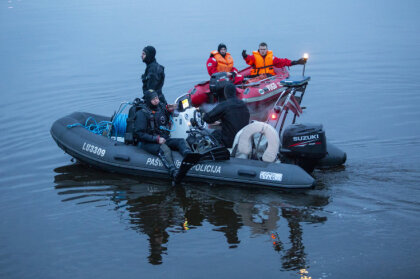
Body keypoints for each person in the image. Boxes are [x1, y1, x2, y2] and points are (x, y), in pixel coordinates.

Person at [134, 90, 192, 179]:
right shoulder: (142, 113)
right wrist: (156, 139)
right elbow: (139, 134)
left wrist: (170, 110)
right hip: (148, 142)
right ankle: (173, 171)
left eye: (157, 98)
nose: (156, 101)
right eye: (153, 99)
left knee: (181, 141)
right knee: (165, 149)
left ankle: (188, 156)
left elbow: (164, 117)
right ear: (148, 100)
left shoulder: (161, 107)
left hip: (164, 138)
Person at [202, 83, 250, 148]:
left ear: (225, 93)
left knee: (212, 135)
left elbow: (207, 118)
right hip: (243, 139)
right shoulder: (243, 104)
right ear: (235, 92)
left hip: (230, 142)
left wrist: (203, 115)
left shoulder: (225, 105)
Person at [242, 42, 306, 77]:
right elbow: (249, 60)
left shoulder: (272, 58)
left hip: (268, 76)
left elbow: (283, 62)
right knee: (245, 79)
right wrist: (245, 56)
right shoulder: (254, 57)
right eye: (261, 49)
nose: (262, 51)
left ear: (267, 50)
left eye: (264, 49)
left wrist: (296, 62)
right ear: (259, 50)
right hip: (257, 75)